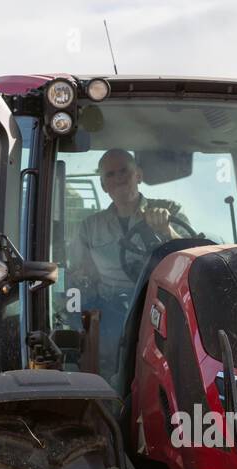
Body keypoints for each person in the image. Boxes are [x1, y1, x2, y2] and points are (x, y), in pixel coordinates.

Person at [68, 149, 194, 380]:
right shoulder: (90, 227)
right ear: (103, 185)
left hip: (161, 303)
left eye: (124, 171)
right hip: (113, 310)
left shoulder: (169, 210)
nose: (118, 178)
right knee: (112, 369)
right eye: (110, 174)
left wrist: (166, 230)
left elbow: (190, 255)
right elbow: (80, 274)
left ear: (139, 175)